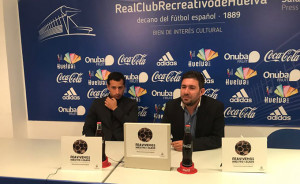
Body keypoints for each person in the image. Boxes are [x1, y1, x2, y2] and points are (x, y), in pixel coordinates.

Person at [162, 71, 224, 151]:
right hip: (178, 154)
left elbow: (218, 139)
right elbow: (162, 134)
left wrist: (188, 145)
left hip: (205, 154)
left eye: (192, 88)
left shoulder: (215, 107)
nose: (186, 92)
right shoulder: (171, 106)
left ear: (201, 92)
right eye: (183, 87)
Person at [83, 72, 138, 141]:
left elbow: (132, 127)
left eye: (120, 88)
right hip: (102, 144)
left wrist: (115, 109)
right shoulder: (97, 103)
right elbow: (88, 128)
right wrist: (94, 143)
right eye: (114, 88)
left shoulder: (131, 104)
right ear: (108, 87)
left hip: (123, 144)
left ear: (124, 87)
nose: (117, 92)